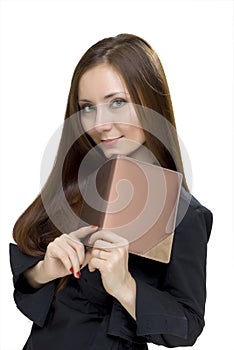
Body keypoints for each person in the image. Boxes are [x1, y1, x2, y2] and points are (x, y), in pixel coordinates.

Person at [10, 33, 213, 350]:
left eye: (117, 102)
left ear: (150, 101)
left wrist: (125, 286)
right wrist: (46, 269)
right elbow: (27, 282)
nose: (100, 123)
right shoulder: (75, 184)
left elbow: (186, 328)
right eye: (87, 107)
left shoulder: (183, 212)